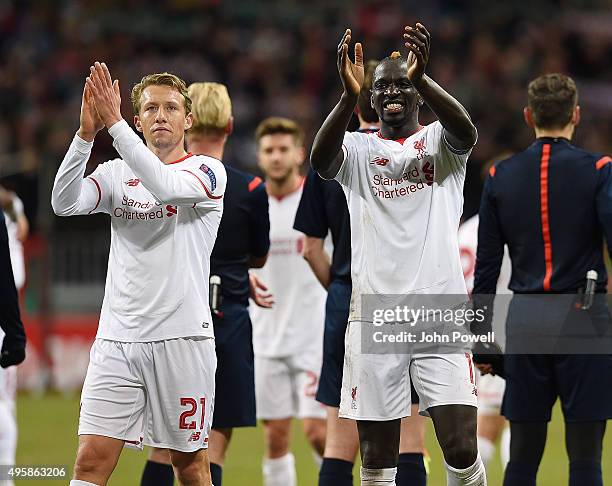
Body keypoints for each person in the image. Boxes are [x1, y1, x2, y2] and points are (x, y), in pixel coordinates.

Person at [311, 24, 484, 486]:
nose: (391, 91)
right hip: (374, 315)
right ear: (371, 98)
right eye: (382, 85)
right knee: (377, 460)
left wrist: (424, 78)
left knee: (462, 447)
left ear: (417, 93)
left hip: (439, 310)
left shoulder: (441, 145)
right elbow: (320, 161)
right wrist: (347, 98)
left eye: (402, 83)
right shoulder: (358, 150)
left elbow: (467, 132)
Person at [52, 63, 226, 486]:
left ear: (189, 119)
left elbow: (165, 186)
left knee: (188, 465)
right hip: (117, 340)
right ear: (138, 120)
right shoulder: (116, 173)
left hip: (182, 340)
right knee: (89, 461)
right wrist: (85, 136)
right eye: (150, 109)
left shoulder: (206, 172)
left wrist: (114, 126)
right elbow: (64, 202)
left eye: (170, 108)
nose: (161, 116)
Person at [473, 73, 612, 486]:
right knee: (586, 457)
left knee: (523, 458)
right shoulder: (601, 169)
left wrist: (483, 340)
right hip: (584, 315)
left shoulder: (501, 176)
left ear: (528, 115)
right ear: (577, 115)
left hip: (527, 317)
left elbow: (487, 267)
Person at [294, 59, 428, 486]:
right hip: (406, 302)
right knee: (409, 432)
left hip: (348, 301)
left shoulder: (336, 154)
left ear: (357, 104)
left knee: (340, 436)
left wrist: (340, 286)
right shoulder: (417, 154)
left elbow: (311, 248)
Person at [140, 82, 270, 486]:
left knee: (165, 443)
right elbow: (258, 256)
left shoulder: (161, 182)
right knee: (211, 443)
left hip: (170, 313)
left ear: (187, 118)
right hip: (226, 313)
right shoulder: (249, 189)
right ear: (231, 124)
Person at [249, 117, 327, 486]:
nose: (276, 157)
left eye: (283, 149)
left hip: (314, 340)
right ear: (260, 157)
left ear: (299, 153)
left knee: (318, 432)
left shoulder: (317, 199)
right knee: (275, 436)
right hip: (264, 341)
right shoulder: (250, 204)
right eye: (269, 150)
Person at [458, 193, 512, 472]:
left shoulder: (465, 231)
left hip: (462, 332)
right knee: (517, 416)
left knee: (480, 424)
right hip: (499, 331)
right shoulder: (508, 230)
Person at [0, 187, 29, 486]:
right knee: (3, 405)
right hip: (5, 314)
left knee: (6, 404)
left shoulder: (10, 203)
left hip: (5, 313)